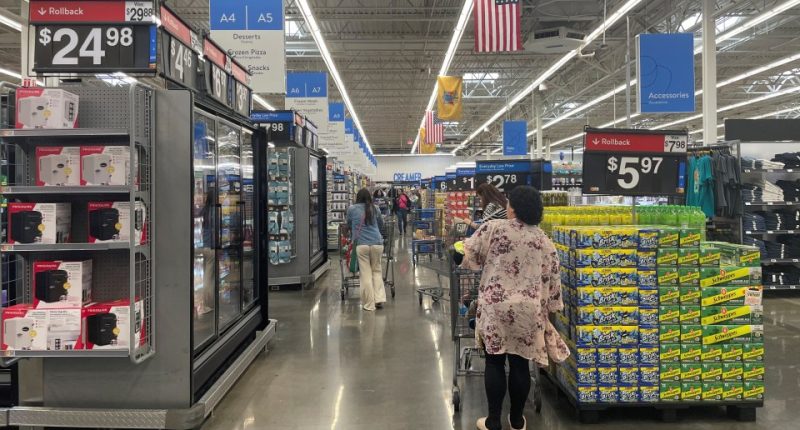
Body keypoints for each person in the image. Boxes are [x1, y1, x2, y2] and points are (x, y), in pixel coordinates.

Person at [461, 186, 568, 430]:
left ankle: (493, 421)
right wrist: (552, 306)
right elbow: (553, 283)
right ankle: (517, 421)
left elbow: (470, 255)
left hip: (495, 307)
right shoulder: (545, 241)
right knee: (520, 364)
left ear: (514, 208)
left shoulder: (494, 228)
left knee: (494, 362)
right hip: (528, 311)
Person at [346, 189, 387, 311]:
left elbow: (349, 224)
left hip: (361, 244)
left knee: (366, 274)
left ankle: (369, 304)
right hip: (377, 243)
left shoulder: (352, 209)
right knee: (377, 271)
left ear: (357, 197)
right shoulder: (375, 208)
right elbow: (381, 224)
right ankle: (379, 299)